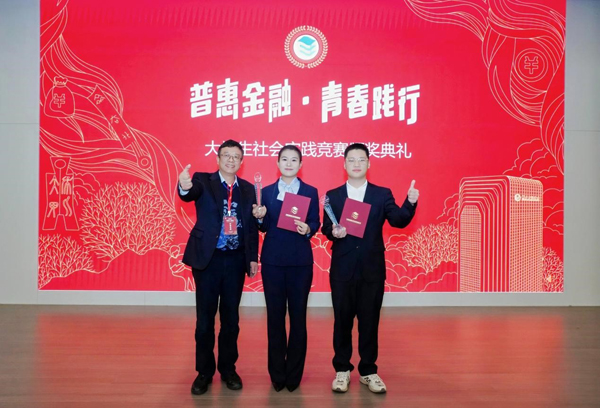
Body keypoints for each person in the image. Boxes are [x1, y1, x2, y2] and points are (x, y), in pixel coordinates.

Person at [321, 143, 419, 394]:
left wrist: (410, 202)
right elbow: (326, 228)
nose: (356, 164)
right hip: (342, 269)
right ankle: (342, 370)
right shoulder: (333, 195)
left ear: (369, 163)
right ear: (344, 164)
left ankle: (368, 371)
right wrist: (333, 232)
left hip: (372, 269)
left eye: (361, 159)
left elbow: (398, 221)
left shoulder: (381, 194)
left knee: (369, 322)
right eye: (351, 160)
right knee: (342, 322)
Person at [178, 139, 259, 395]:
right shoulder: (203, 180)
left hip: (235, 260)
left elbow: (251, 227)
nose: (231, 160)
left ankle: (228, 369)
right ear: (218, 159)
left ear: (242, 161)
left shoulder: (248, 189)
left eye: (236, 156)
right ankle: (204, 372)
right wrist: (183, 186)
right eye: (226, 155)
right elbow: (189, 193)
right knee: (205, 320)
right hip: (208, 260)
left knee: (231, 319)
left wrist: (253, 257)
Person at [252, 145, 320, 392]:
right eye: (284, 159)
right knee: (275, 318)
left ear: (301, 164)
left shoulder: (310, 191)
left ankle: (294, 374)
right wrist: (260, 216)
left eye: (294, 160)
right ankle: (277, 374)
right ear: (277, 163)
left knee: (298, 318)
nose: (289, 164)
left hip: (300, 263)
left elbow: (315, 221)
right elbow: (263, 226)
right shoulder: (267, 192)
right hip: (273, 262)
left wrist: (308, 228)